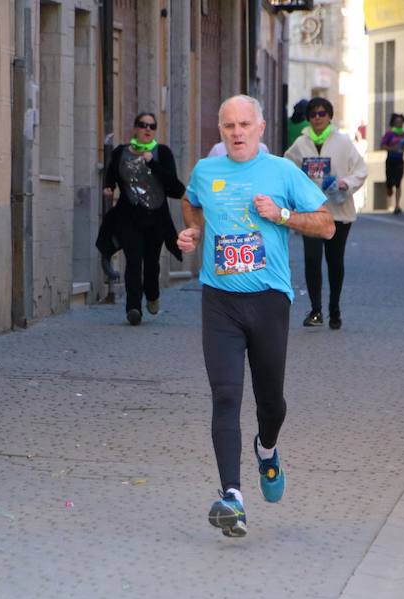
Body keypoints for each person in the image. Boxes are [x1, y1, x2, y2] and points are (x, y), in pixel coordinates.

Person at [178, 95, 334, 537]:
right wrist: (194, 228)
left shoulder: (282, 171)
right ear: (220, 130)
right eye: (229, 126)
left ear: (261, 127)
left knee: (271, 402)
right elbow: (191, 203)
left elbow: (326, 224)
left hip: (269, 300)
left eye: (245, 124)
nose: (237, 132)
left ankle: (266, 450)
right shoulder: (206, 172)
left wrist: (282, 214)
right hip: (220, 300)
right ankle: (233, 497)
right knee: (225, 395)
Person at [285, 96, 367, 329]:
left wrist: (346, 183)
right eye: (313, 115)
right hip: (311, 212)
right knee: (312, 260)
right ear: (308, 118)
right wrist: (298, 188)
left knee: (334, 261)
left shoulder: (343, 142)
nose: (318, 118)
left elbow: (361, 170)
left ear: (330, 116)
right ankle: (315, 310)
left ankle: (335, 309)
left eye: (322, 114)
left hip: (339, 211)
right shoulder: (301, 144)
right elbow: (286, 167)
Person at [102, 112, 186, 324]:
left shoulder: (162, 153)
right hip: (129, 218)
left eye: (152, 126)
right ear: (135, 128)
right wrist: (108, 187)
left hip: (156, 219)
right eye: (143, 125)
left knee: (151, 264)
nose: (147, 129)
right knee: (133, 261)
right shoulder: (121, 152)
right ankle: (133, 308)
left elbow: (176, 188)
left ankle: (153, 294)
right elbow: (111, 172)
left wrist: (152, 164)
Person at [380, 113, 404, 214]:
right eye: (397, 122)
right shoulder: (389, 134)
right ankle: (389, 188)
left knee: (398, 182)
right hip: (390, 161)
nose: (399, 123)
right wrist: (392, 148)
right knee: (389, 182)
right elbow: (382, 146)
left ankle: (397, 205)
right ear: (394, 123)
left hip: (400, 161)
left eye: (401, 122)